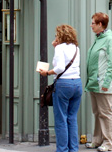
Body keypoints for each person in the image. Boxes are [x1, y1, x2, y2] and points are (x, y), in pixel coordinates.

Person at [39, 24, 82, 152]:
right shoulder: (76, 48)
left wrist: (47, 73)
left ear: (60, 35)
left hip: (63, 84)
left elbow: (60, 68)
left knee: (61, 119)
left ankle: (62, 150)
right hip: (77, 83)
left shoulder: (60, 48)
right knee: (72, 118)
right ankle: (73, 149)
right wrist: (55, 47)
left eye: (56, 34)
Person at [85, 12, 112, 152]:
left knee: (105, 113)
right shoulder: (99, 38)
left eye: (93, 23)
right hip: (94, 83)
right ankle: (97, 140)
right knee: (97, 113)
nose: (91, 25)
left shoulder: (109, 39)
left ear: (100, 24)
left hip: (103, 84)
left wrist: (106, 83)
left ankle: (108, 143)